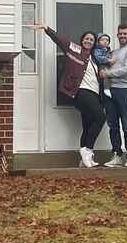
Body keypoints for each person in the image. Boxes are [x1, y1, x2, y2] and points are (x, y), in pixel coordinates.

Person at [30, 22, 107, 168]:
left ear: (94, 43)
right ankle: (87, 150)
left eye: (91, 40)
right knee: (101, 117)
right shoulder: (75, 49)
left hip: (94, 94)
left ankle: (84, 160)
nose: (88, 41)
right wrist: (46, 28)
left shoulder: (95, 59)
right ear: (82, 40)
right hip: (81, 92)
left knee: (88, 124)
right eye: (86, 38)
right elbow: (61, 40)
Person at [100, 24, 127, 168]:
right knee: (113, 126)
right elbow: (105, 66)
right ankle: (117, 155)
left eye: (125, 34)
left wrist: (108, 73)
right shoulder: (114, 52)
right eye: (120, 34)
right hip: (109, 91)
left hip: (123, 90)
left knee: (126, 125)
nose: (122, 36)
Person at [92, 34, 113, 99]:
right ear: (98, 42)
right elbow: (98, 58)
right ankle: (106, 89)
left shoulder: (108, 50)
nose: (105, 41)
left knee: (110, 75)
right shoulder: (97, 49)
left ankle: (108, 88)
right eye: (102, 40)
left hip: (107, 65)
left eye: (107, 40)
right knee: (105, 74)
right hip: (101, 66)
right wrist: (108, 60)